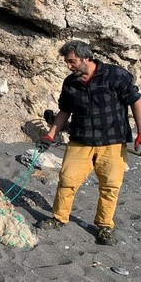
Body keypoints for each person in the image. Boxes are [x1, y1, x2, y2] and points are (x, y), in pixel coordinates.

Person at [36, 40, 141, 246]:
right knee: (67, 180)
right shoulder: (70, 83)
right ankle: (58, 218)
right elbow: (65, 111)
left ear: (86, 57)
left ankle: (104, 226)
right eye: (67, 62)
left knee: (110, 186)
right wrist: (50, 135)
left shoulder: (116, 75)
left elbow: (135, 100)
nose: (69, 66)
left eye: (72, 61)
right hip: (80, 140)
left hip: (112, 141)